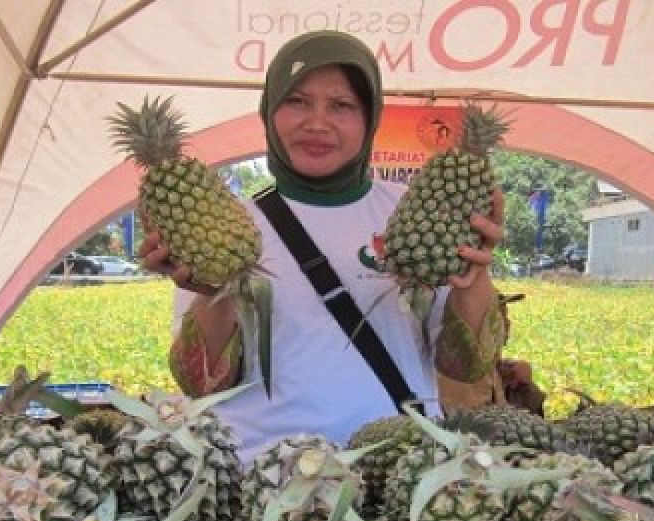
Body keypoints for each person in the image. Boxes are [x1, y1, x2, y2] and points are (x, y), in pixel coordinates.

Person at [144, 31, 503, 462]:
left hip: (396, 472)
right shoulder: (222, 223)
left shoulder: (418, 214)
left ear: (369, 118)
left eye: (342, 105)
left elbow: (465, 368)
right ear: (269, 111)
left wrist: (473, 277)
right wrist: (214, 293)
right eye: (296, 101)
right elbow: (202, 386)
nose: (317, 123)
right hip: (265, 476)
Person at [438, 292, 547, 415]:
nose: (508, 323)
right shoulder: (468, 374)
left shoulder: (482, 359)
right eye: (501, 316)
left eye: (506, 315)